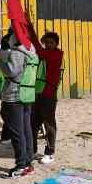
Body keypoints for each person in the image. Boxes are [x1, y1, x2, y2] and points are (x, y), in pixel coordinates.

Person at [0, 28, 39, 176]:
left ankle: (21, 164)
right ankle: (28, 161)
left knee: (17, 131)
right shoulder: (31, 50)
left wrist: (1, 60)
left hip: (14, 95)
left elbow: (11, 71)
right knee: (26, 129)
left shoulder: (17, 52)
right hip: (27, 93)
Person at [32, 31, 63, 164]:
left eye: (51, 42)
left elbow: (38, 49)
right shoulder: (43, 54)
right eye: (47, 42)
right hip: (38, 93)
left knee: (49, 124)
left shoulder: (56, 55)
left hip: (49, 95)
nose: (48, 45)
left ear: (56, 44)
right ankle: (32, 150)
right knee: (33, 123)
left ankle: (50, 152)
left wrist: (30, 28)